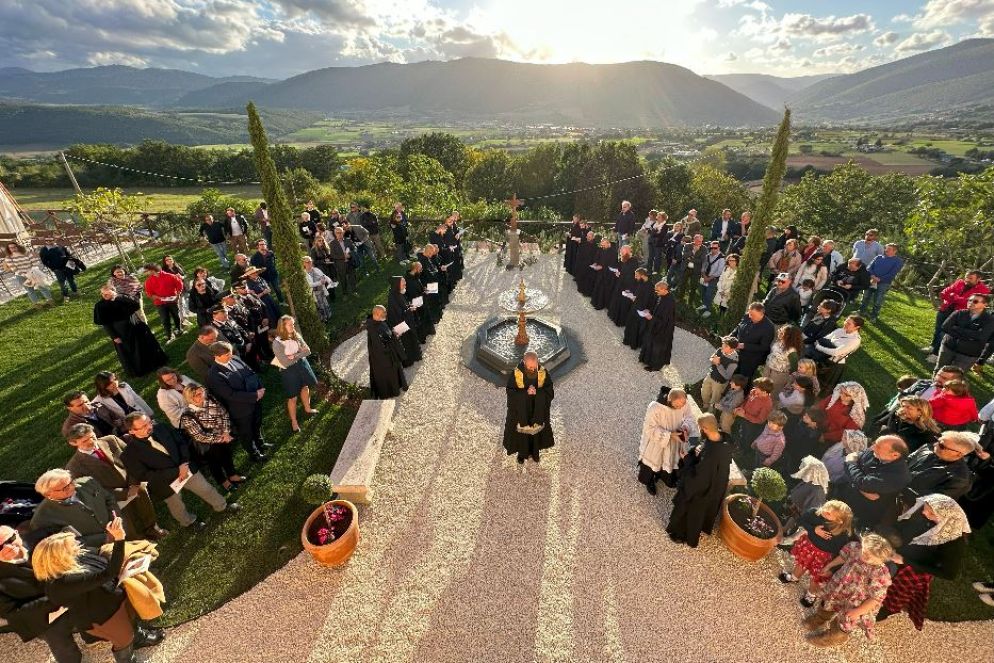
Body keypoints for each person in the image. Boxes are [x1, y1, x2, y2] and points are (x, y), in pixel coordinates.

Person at [31, 524, 159, 663]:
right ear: (59, 557)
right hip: (103, 617)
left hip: (111, 602)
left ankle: (139, 639)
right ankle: (127, 659)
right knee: (124, 637)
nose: (77, 545)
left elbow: (101, 559)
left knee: (130, 619)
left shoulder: (75, 558)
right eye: (71, 545)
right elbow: (108, 573)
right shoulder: (63, 582)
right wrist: (119, 539)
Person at [121, 412, 238, 529]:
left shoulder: (162, 428)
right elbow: (145, 475)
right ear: (131, 431)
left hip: (185, 467)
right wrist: (177, 471)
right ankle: (189, 522)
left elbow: (181, 443)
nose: (150, 427)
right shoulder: (128, 455)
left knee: (205, 488)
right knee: (177, 506)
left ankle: (221, 505)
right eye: (144, 426)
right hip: (165, 484)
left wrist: (184, 463)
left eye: (149, 422)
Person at [879, 494, 970, 631]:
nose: (923, 512)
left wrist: (905, 561)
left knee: (894, 597)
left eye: (930, 512)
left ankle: (882, 613)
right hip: (899, 556)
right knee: (879, 584)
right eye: (925, 508)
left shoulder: (954, 541)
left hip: (915, 571)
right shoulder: (926, 518)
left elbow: (949, 574)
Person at [64, 423, 164, 540]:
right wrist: (123, 493)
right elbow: (92, 491)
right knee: (127, 521)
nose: (91, 441)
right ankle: (138, 540)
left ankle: (152, 528)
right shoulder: (74, 466)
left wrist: (133, 484)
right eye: (85, 440)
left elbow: (133, 459)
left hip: (134, 484)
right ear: (73, 443)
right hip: (112, 497)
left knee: (144, 502)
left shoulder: (110, 440)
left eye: (92, 436)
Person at [0, 526, 84, 663]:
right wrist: (53, 600)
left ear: (17, 533)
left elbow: (74, 537)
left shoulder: (42, 536)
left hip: (75, 593)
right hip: (44, 615)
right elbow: (10, 612)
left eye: (11, 539)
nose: (8, 547)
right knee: (63, 647)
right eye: (0, 547)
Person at [802, 533, 895, 648]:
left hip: (857, 600)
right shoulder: (855, 547)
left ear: (881, 559)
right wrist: (829, 566)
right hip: (839, 586)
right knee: (828, 602)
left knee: (845, 620)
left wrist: (858, 611)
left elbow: (876, 598)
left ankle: (832, 638)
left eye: (870, 556)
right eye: (864, 551)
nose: (864, 555)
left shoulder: (881, 574)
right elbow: (843, 556)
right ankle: (819, 619)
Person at [666, 413, 733, 547]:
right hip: (716, 485)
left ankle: (681, 534)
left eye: (700, 428)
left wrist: (686, 459)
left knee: (690, 509)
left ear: (705, 428)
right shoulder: (725, 441)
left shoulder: (710, 455)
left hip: (702, 490)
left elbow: (698, 478)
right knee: (701, 512)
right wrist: (699, 451)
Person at [780, 500, 853, 608]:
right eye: (825, 507)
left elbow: (840, 553)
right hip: (808, 547)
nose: (824, 511)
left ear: (839, 521)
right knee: (801, 564)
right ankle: (794, 577)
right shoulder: (815, 513)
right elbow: (801, 520)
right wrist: (813, 530)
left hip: (823, 557)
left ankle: (811, 594)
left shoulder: (842, 535)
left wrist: (831, 568)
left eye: (829, 513)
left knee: (817, 577)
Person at [206, 341, 269, 462]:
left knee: (256, 425)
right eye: (227, 355)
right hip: (240, 410)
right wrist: (254, 395)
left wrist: (260, 388)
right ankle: (254, 454)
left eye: (230, 353)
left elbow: (251, 372)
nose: (231, 356)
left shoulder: (234, 358)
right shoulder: (214, 375)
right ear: (216, 356)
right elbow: (230, 394)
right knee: (247, 433)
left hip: (255, 400)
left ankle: (261, 444)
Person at [179, 385, 245, 492]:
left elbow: (224, 414)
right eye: (198, 395)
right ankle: (224, 482)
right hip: (209, 445)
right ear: (190, 398)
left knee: (227, 456)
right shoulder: (188, 416)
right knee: (214, 464)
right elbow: (200, 435)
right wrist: (221, 438)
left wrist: (226, 431)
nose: (203, 395)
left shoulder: (210, 400)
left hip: (224, 436)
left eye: (202, 392)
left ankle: (232, 475)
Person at [836, 434, 911, 528]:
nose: (872, 448)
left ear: (895, 455)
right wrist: (861, 487)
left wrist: (851, 463)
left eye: (878, 446)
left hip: (861, 512)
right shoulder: (875, 452)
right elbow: (855, 459)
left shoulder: (898, 476)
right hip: (846, 495)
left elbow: (861, 481)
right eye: (875, 443)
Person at [30, 469, 118, 548]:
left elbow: (109, 498)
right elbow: (63, 545)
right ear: (48, 494)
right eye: (65, 488)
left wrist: (116, 521)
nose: (72, 487)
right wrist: (104, 538)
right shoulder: (42, 519)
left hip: (124, 531)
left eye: (71, 482)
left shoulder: (88, 482)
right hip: (101, 550)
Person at [637, 387, 699, 492]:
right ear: (669, 401)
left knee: (670, 462)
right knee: (653, 463)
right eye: (678, 405)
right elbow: (649, 428)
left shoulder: (683, 402)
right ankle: (649, 481)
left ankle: (666, 478)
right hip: (657, 443)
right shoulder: (655, 407)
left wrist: (685, 427)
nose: (681, 407)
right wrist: (669, 435)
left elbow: (689, 417)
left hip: (675, 441)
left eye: (683, 404)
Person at [923, 270, 991, 360]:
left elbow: (969, 303)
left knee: (945, 334)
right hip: (945, 309)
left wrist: (954, 297)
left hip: (958, 315)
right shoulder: (959, 282)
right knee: (938, 330)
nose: (966, 279)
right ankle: (932, 347)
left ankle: (936, 354)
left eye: (970, 278)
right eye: (966, 277)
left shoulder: (983, 291)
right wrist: (957, 298)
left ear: (978, 279)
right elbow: (944, 293)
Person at [503, 351, 555, 464]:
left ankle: (535, 453)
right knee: (521, 435)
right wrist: (525, 394)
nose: (532, 369)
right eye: (529, 366)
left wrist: (538, 393)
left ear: (537, 362)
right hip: (522, 413)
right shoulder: (516, 374)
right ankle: (522, 454)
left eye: (534, 366)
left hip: (538, 411)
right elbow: (510, 392)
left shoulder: (543, 373)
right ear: (524, 362)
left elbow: (549, 392)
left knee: (536, 434)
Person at [271, 316, 319, 434]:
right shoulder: (277, 344)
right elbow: (285, 362)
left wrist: (295, 356)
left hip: (302, 365)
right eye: (290, 325)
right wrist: (299, 353)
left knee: (305, 387)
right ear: (282, 327)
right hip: (289, 371)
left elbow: (308, 350)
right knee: (292, 397)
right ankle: (294, 421)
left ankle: (307, 408)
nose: (293, 327)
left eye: (293, 324)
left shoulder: (296, 335)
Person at [904, 432, 977, 501]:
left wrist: (901, 488)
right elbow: (907, 460)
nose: (935, 444)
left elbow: (931, 501)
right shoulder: (927, 447)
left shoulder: (959, 478)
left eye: (941, 446)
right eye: (937, 440)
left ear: (959, 454)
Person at [932, 292, 994, 371]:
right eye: (969, 300)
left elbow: (981, 336)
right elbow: (945, 327)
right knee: (939, 370)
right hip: (948, 347)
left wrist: (956, 329)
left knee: (955, 377)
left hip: (968, 354)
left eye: (975, 301)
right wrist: (970, 336)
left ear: (985, 305)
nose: (970, 303)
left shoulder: (990, 320)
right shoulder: (959, 313)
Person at [781, 456, 831, 538]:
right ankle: (785, 529)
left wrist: (802, 516)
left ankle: (789, 539)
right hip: (796, 509)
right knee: (792, 519)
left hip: (802, 514)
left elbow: (811, 510)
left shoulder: (818, 490)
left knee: (796, 527)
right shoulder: (811, 481)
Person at [872, 396, 941, 452]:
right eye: (903, 406)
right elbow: (878, 423)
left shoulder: (927, 432)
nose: (903, 409)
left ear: (920, 412)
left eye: (909, 408)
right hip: (876, 447)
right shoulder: (896, 415)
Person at [367, 305, 408, 399]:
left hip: (391, 353)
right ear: (377, 314)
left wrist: (393, 332)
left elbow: (386, 332)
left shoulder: (379, 321)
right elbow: (379, 347)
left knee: (396, 371)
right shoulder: (372, 329)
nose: (385, 315)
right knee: (390, 374)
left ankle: (398, 385)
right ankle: (393, 391)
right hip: (384, 358)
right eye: (383, 314)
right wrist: (393, 340)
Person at [860, 243, 904, 322]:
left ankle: (873, 316)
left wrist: (879, 279)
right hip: (871, 280)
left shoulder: (898, 261)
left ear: (895, 251)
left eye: (889, 249)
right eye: (886, 248)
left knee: (878, 301)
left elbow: (892, 273)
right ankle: (861, 311)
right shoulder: (878, 257)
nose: (886, 250)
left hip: (884, 283)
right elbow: (869, 267)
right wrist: (873, 276)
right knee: (865, 297)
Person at [733, 302, 776, 381]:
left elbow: (764, 347)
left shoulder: (769, 327)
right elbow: (738, 328)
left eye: (752, 315)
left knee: (743, 379)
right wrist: (730, 337)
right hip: (736, 353)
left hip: (750, 359)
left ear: (761, 314)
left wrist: (744, 346)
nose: (749, 316)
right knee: (733, 373)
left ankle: (743, 392)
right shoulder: (747, 316)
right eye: (749, 313)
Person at [639, 280, 676, 371]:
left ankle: (655, 366)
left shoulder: (670, 303)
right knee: (650, 342)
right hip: (656, 325)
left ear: (664, 289)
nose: (656, 293)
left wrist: (652, 318)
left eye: (657, 291)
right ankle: (646, 359)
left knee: (657, 348)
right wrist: (650, 312)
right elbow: (657, 309)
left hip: (663, 330)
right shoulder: (662, 296)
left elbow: (665, 321)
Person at [142, 263, 185, 343]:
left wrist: (178, 296)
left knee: (176, 315)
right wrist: (157, 297)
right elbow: (149, 293)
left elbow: (180, 285)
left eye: (146, 271)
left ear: (152, 270)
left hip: (172, 300)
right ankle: (169, 335)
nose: (145, 273)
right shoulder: (148, 281)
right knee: (165, 319)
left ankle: (178, 330)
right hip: (160, 303)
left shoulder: (170, 276)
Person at [3, 241, 54, 305]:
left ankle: (50, 300)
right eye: (11, 248)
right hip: (21, 276)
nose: (13, 248)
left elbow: (34, 262)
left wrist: (32, 272)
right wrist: (26, 275)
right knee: (30, 291)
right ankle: (37, 304)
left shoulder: (26, 253)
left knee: (42, 287)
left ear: (17, 247)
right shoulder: (8, 258)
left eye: (14, 247)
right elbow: (15, 269)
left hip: (33, 272)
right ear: (8, 249)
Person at [733, 377, 775, 450]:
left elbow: (760, 420)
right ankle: (738, 446)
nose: (755, 389)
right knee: (741, 433)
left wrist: (744, 415)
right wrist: (741, 407)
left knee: (747, 438)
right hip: (744, 418)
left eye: (757, 388)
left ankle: (744, 451)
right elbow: (747, 400)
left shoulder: (767, 404)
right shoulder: (754, 391)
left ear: (764, 392)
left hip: (753, 424)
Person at [700, 337, 738, 412]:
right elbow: (711, 358)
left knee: (715, 399)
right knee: (704, 392)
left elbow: (727, 376)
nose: (723, 346)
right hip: (710, 375)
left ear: (732, 349)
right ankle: (705, 405)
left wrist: (718, 364)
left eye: (726, 346)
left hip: (719, 382)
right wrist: (712, 360)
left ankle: (710, 414)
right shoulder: (720, 350)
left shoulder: (734, 361)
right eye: (723, 344)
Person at [762, 324, 803, 395]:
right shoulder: (778, 342)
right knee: (762, 385)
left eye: (782, 332)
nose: (779, 331)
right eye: (780, 330)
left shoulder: (792, 351)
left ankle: (769, 404)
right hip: (768, 367)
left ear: (788, 336)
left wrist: (789, 381)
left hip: (779, 374)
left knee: (772, 391)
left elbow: (794, 367)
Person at [606, 245, 641, 325]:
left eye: (622, 252)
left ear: (628, 251)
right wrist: (618, 272)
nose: (621, 253)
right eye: (621, 251)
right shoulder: (625, 259)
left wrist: (620, 275)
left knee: (623, 303)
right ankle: (614, 315)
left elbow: (630, 275)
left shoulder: (633, 261)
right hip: (621, 283)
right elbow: (622, 269)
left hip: (627, 286)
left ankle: (620, 320)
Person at [697, 240, 725, 316]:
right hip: (705, 277)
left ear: (719, 248)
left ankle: (708, 310)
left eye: (715, 248)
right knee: (702, 292)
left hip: (713, 279)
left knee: (709, 294)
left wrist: (709, 279)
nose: (713, 249)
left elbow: (719, 271)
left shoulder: (721, 258)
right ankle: (704, 304)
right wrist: (704, 275)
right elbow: (703, 266)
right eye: (711, 248)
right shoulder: (708, 255)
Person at [591, 239, 620, 310]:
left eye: (603, 245)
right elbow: (599, 258)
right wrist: (596, 263)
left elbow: (612, 265)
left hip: (607, 275)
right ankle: (596, 302)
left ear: (608, 243)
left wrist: (602, 267)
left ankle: (600, 305)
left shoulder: (613, 253)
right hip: (601, 272)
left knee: (603, 290)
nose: (602, 246)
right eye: (601, 245)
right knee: (598, 287)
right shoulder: (603, 249)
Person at [330, 226, 357, 298]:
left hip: (350, 263)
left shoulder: (348, 240)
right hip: (340, 265)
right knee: (343, 279)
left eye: (341, 232)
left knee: (352, 278)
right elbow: (333, 255)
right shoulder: (332, 243)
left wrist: (350, 255)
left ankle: (354, 291)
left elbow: (354, 249)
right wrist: (343, 257)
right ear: (335, 234)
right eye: (337, 233)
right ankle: (345, 293)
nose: (339, 234)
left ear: (343, 232)